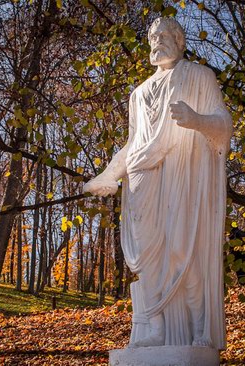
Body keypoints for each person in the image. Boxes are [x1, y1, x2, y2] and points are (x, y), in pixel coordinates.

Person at [84, 17, 232, 350]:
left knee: (183, 252)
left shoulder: (199, 76)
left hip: (182, 176)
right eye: (153, 36)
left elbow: (223, 124)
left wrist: (197, 121)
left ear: (181, 41)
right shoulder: (138, 94)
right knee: (147, 259)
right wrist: (108, 174)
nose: (158, 41)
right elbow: (133, 143)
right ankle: (155, 329)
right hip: (142, 180)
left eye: (166, 35)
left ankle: (200, 333)